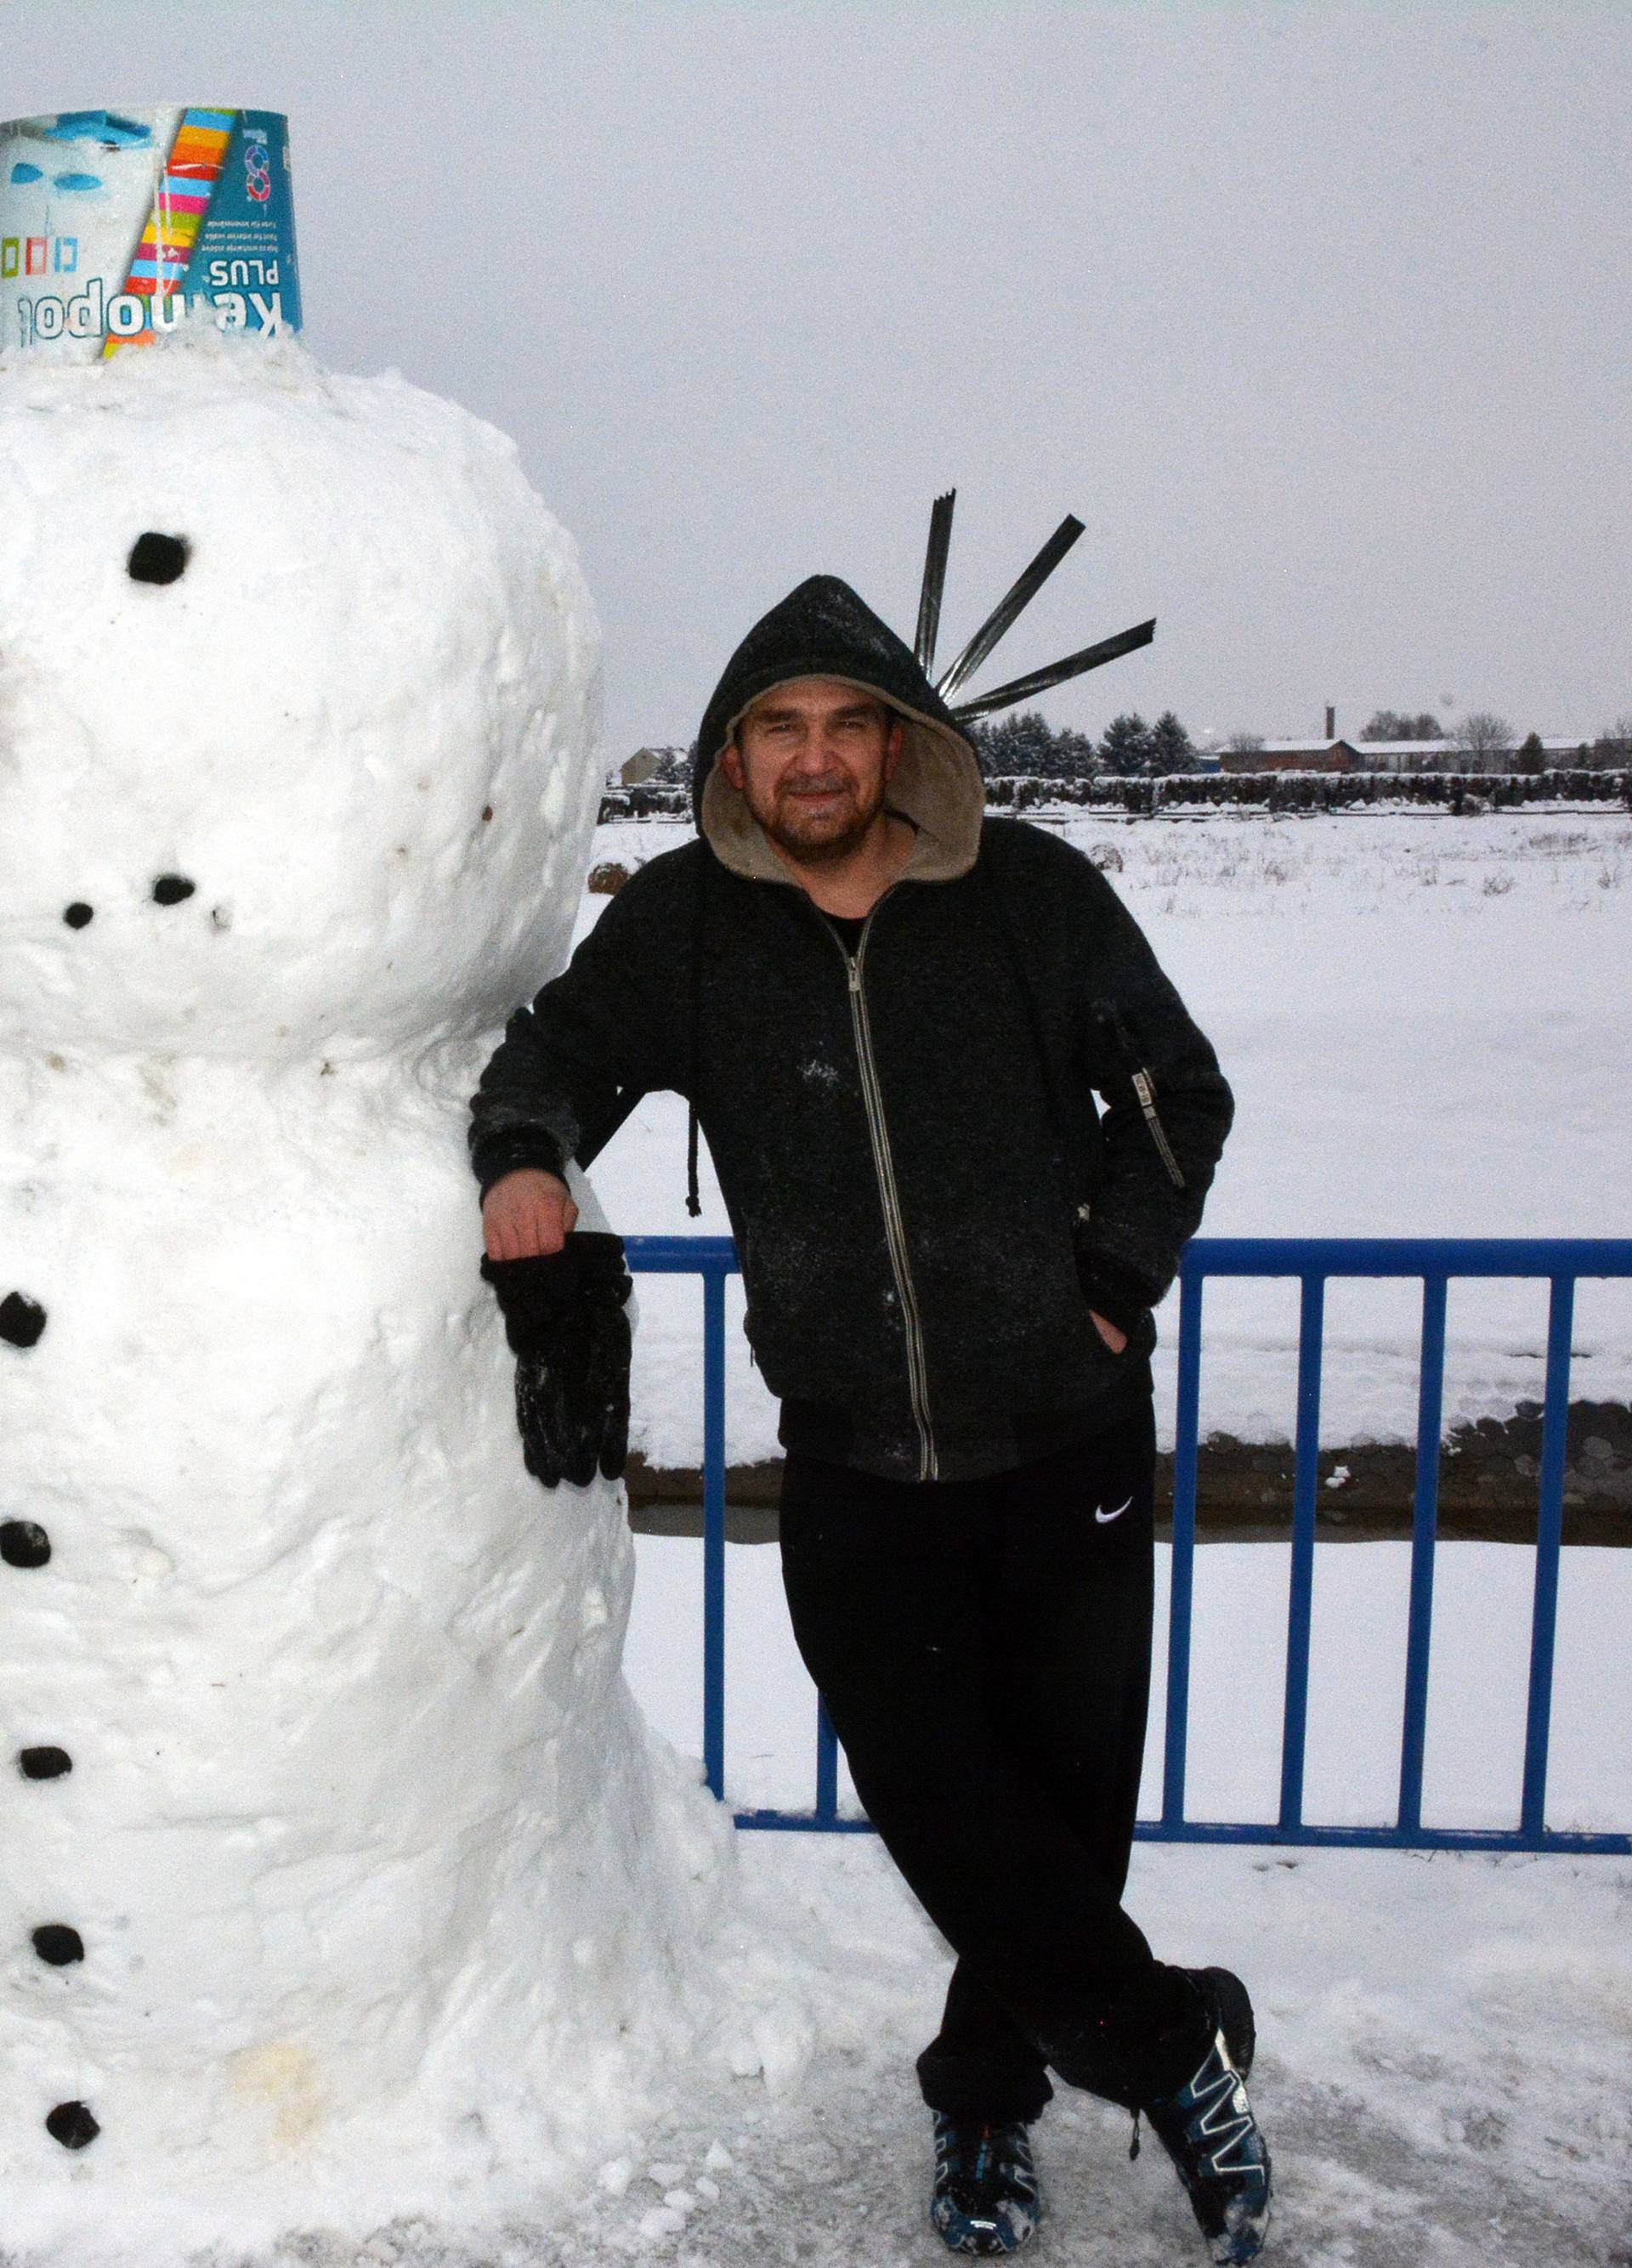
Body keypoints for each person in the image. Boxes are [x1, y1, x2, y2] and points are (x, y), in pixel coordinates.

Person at [468, 575, 1272, 2263]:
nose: (817, 759)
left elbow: (1175, 1099)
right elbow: (552, 1054)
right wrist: (527, 1156)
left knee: (1055, 1824)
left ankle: (984, 2110)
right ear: (736, 757)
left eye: (847, 726)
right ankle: (1174, 2038)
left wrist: (1115, 1283)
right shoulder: (689, 925)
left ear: (900, 744)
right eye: (782, 729)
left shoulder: (1029, 897)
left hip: (1067, 1449)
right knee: (948, 1815)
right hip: (851, 1463)